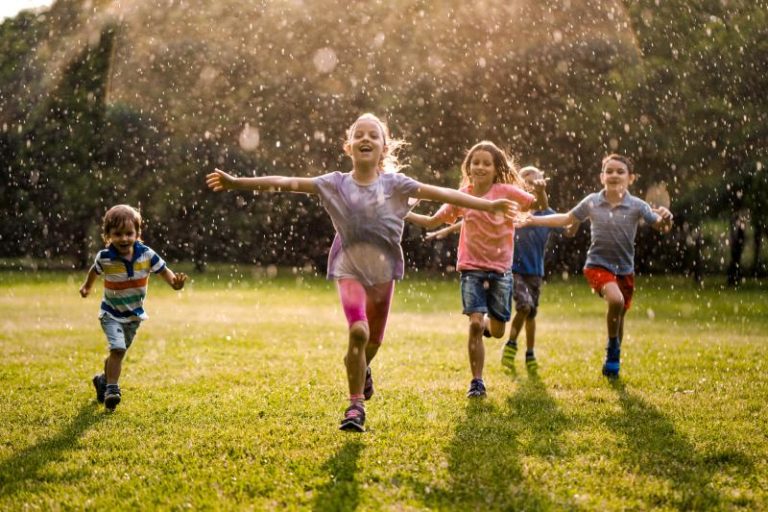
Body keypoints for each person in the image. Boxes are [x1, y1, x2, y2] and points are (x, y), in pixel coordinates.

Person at [205, 114, 519, 432]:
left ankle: (361, 367)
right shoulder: (334, 184)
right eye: (359, 134)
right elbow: (286, 182)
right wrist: (236, 183)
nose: (366, 139)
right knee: (358, 332)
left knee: (372, 343)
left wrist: (487, 206)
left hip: (383, 275)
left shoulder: (397, 185)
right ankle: (355, 406)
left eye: (374, 135)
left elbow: (443, 194)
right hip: (348, 269)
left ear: (383, 148)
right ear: (349, 146)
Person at [518, 154, 673, 378]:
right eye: (609, 171)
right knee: (616, 300)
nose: (614, 175)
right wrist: (534, 220)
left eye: (620, 171)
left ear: (631, 178)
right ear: (602, 177)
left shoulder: (637, 205)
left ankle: (615, 355)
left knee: (619, 316)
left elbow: (661, 226)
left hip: (625, 270)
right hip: (597, 265)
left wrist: (667, 218)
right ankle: (612, 347)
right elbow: (566, 219)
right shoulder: (592, 201)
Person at [406, 141, 538, 398]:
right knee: (475, 324)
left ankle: (490, 324)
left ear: (495, 168)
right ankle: (477, 382)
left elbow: (533, 203)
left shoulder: (506, 191)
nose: (480, 167)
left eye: (486, 163)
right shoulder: (462, 196)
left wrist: (541, 192)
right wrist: (403, 214)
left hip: (500, 270)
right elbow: (433, 220)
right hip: (471, 269)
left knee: (497, 331)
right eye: (475, 162)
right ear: (468, 167)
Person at [80, 204, 187, 410]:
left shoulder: (146, 255)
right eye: (117, 234)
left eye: (129, 233)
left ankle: (102, 380)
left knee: (117, 352)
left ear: (138, 233)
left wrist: (175, 283)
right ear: (108, 235)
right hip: (110, 313)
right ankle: (112, 388)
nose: (124, 239)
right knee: (118, 349)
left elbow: (164, 271)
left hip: (134, 315)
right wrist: (87, 287)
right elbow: (94, 271)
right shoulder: (105, 257)